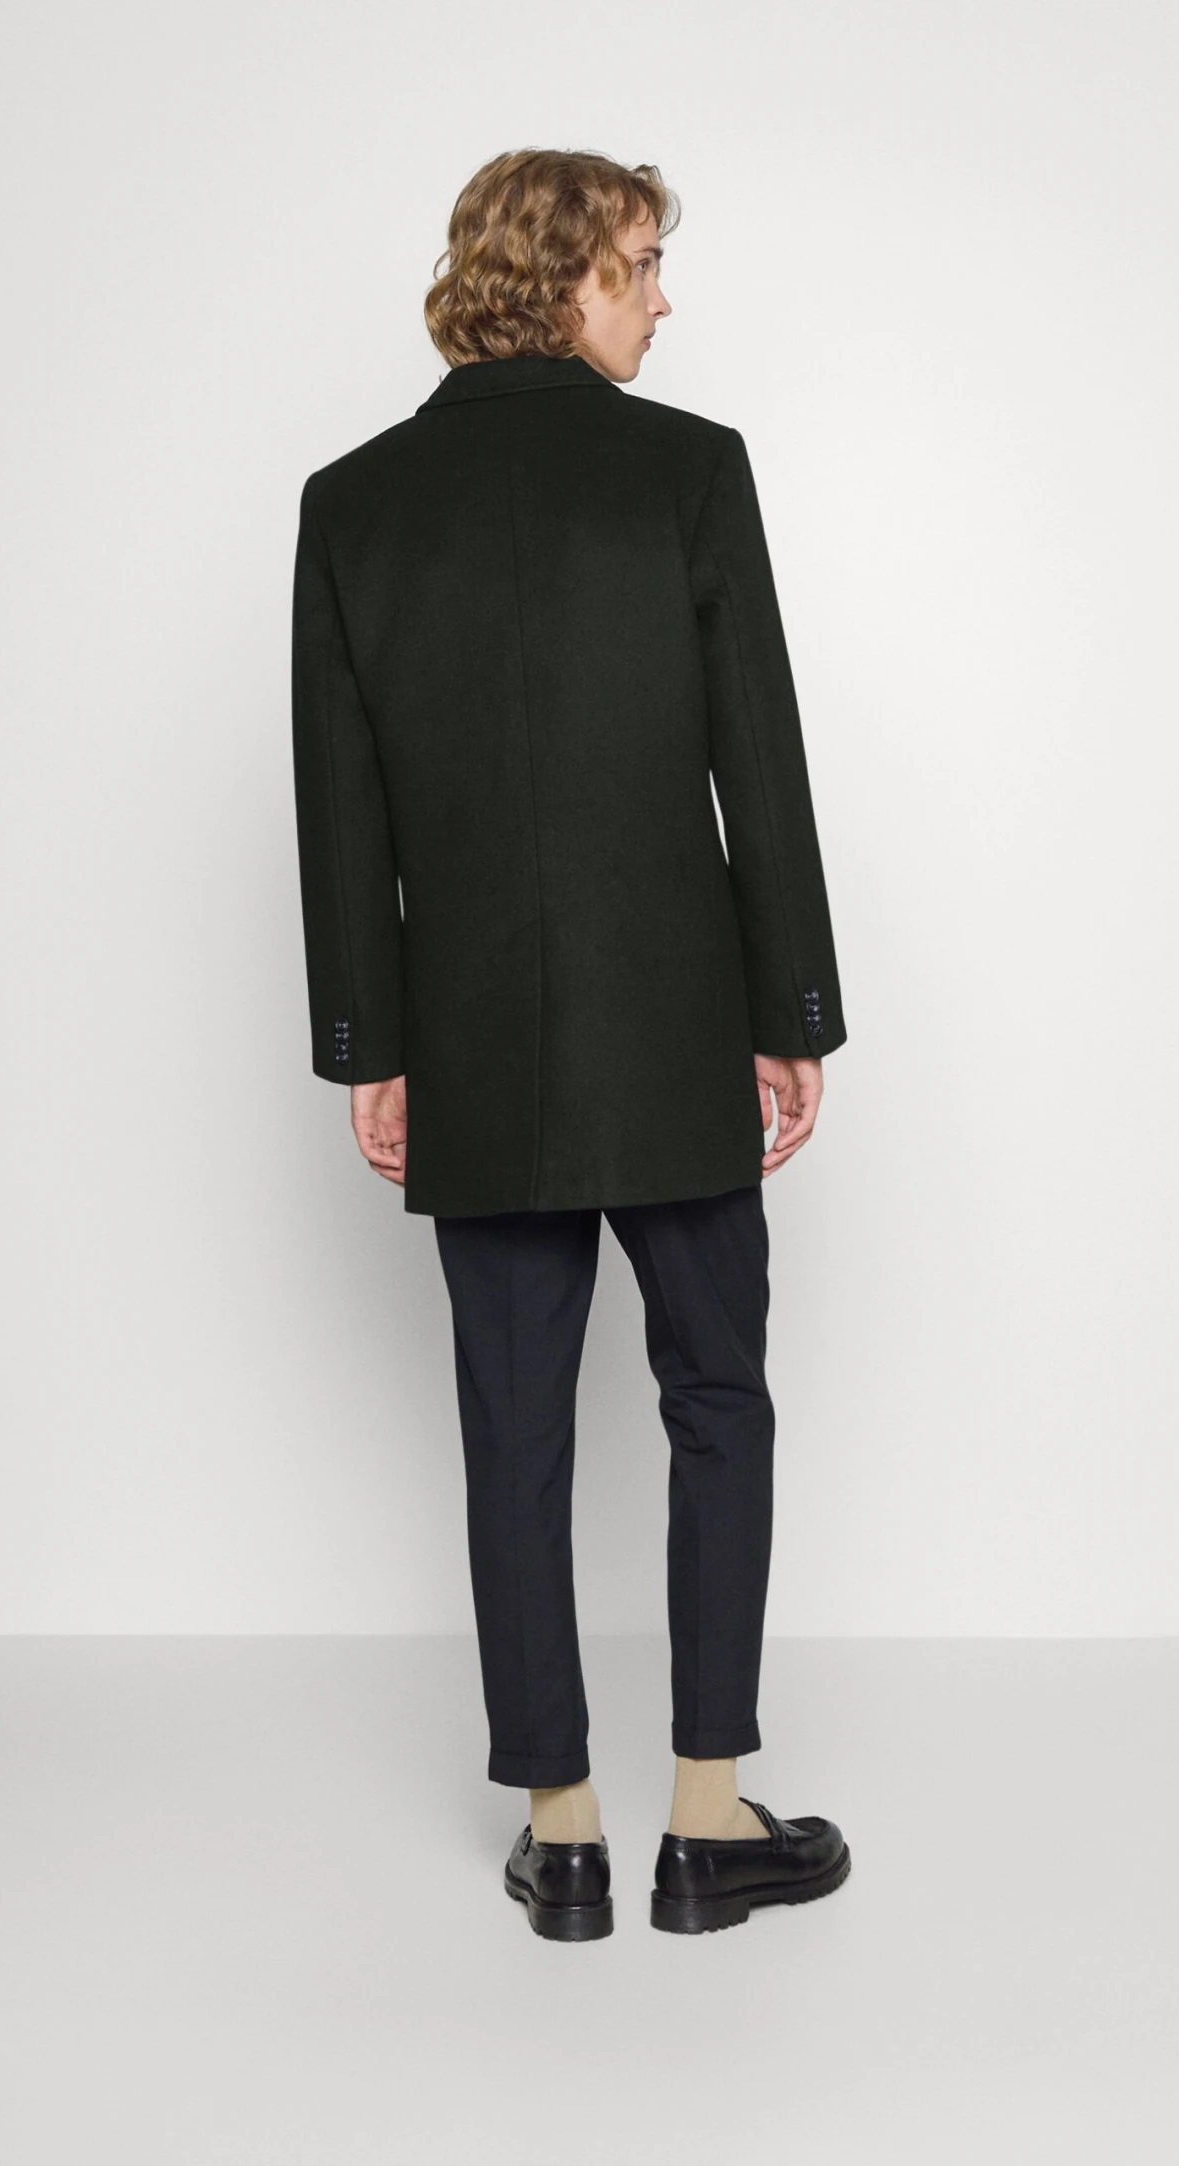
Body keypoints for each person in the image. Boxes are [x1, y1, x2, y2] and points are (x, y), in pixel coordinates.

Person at [290, 148, 851, 1939]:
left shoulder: (353, 504)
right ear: (563, 277)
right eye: (642, 264)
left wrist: (371, 1045)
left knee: (514, 1430)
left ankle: (568, 1836)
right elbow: (757, 758)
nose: (665, 299)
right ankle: (709, 1821)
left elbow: (340, 805)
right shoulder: (690, 471)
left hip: (474, 1046)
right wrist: (792, 1012)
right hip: (679, 1029)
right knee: (719, 1400)